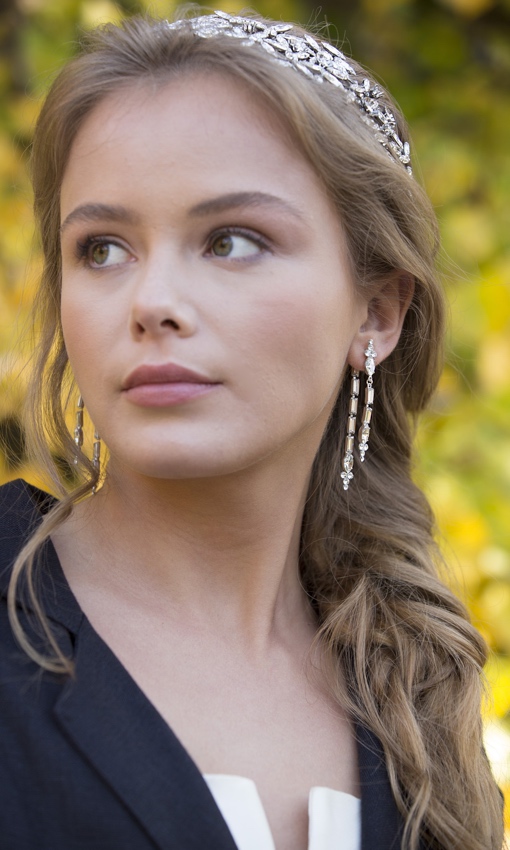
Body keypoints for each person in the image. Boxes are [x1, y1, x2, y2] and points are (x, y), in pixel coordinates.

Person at [0, 9, 504, 850]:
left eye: (231, 241)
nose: (153, 302)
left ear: (377, 312)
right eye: (103, 249)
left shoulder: (418, 693)